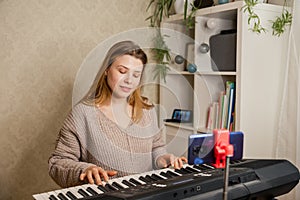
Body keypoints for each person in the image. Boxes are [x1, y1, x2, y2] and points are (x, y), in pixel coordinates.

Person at [49, 40, 187, 188]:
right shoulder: (83, 113)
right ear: (107, 70)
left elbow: (156, 147)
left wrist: (162, 158)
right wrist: (85, 169)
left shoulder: (148, 110)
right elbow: (58, 162)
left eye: (136, 75)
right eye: (122, 71)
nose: (129, 80)